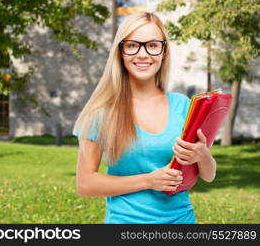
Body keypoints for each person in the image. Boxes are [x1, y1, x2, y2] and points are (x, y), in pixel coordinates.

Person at [72, 12, 216, 224]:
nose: (142, 54)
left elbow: (208, 175)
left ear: (163, 52)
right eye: (132, 45)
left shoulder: (183, 106)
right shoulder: (102, 111)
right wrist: (149, 181)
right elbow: (85, 183)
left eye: (152, 45)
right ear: (120, 52)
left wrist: (203, 155)